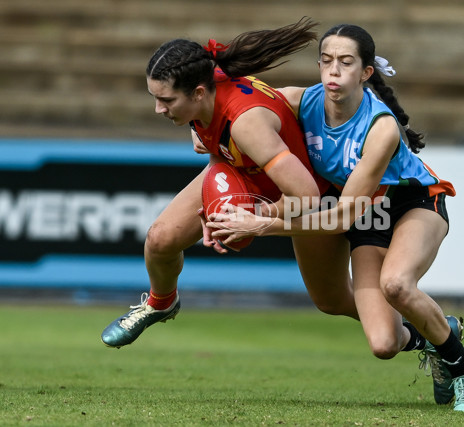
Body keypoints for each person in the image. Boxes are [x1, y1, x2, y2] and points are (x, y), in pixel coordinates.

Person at [207, 23, 464, 412]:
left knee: (397, 285)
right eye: (325, 61)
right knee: (384, 344)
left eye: (345, 62)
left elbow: (340, 219)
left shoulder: (381, 128)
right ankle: (439, 334)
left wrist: (262, 223)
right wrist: (205, 119)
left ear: (366, 72)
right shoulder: (303, 101)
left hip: (412, 205)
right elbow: (242, 103)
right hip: (368, 216)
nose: (333, 71)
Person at [100, 18, 324, 348]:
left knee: (335, 303)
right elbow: (221, 148)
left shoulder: (246, 123)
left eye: (167, 101)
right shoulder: (203, 86)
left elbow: (307, 195)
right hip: (247, 172)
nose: (158, 109)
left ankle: (420, 331)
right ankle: (160, 304)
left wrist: (253, 217)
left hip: (305, 192)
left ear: (199, 92)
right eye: (155, 97)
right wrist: (216, 198)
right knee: (160, 240)